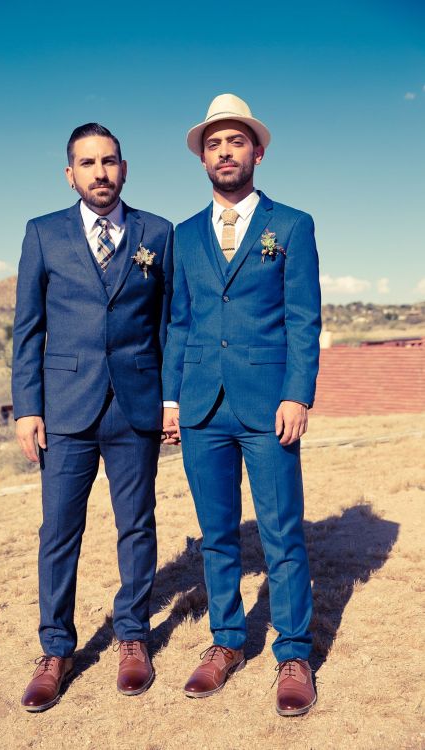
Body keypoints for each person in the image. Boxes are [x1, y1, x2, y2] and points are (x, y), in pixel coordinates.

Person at [162, 94, 321, 716]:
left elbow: (304, 320)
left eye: (235, 142)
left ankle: (294, 653)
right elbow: (178, 323)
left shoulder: (293, 226)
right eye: (213, 144)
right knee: (217, 535)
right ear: (203, 158)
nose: (224, 152)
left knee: (282, 533)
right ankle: (226, 642)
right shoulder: (182, 236)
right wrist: (172, 401)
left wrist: (296, 393)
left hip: (267, 404)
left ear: (257, 150)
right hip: (202, 407)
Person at [12, 122, 173, 711]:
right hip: (65, 410)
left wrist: (169, 397)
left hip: (136, 406)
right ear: (70, 174)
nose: (100, 173)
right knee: (59, 532)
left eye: (109, 162)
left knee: (137, 524)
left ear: (124, 168)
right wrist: (28, 406)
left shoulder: (159, 232)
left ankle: (133, 636)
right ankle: (56, 648)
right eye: (87, 163)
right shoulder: (43, 234)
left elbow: (166, 324)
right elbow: (28, 330)